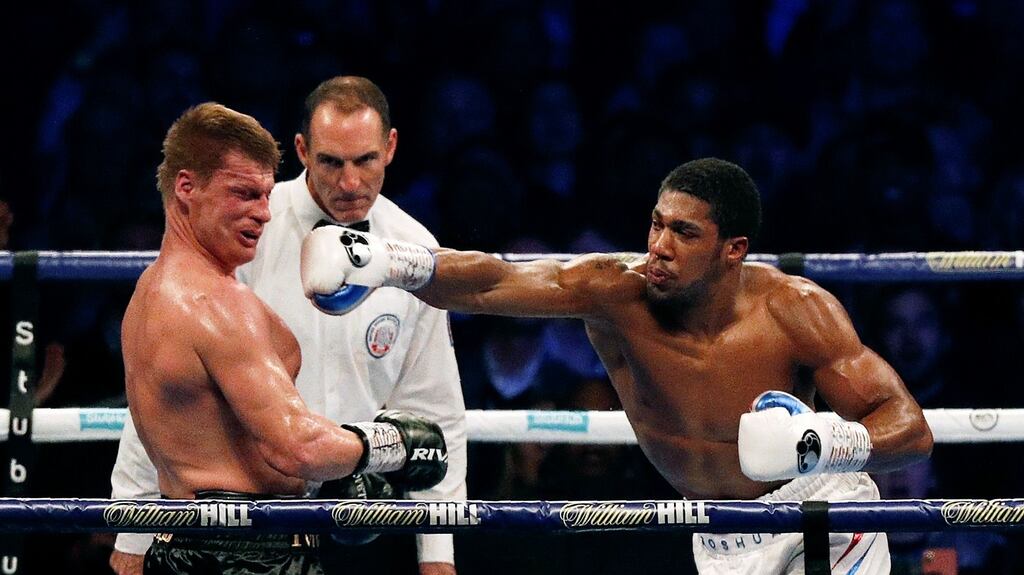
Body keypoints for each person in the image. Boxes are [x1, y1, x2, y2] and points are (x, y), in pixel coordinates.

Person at [302, 157, 935, 574]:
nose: (659, 247)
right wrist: (392, 264)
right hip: (718, 533)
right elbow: (495, 281)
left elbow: (910, 429)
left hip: (819, 508)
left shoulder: (795, 310)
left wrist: (818, 446)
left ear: (733, 250)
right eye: (657, 225)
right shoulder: (615, 293)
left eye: (685, 233)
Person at [110, 78, 467, 575]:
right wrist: (393, 445)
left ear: (390, 148)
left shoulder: (414, 250)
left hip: (347, 512)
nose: (350, 183)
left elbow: (435, 405)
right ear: (303, 152)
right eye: (332, 162)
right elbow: (176, 411)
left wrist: (438, 555)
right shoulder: (235, 251)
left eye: (365, 160)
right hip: (249, 532)